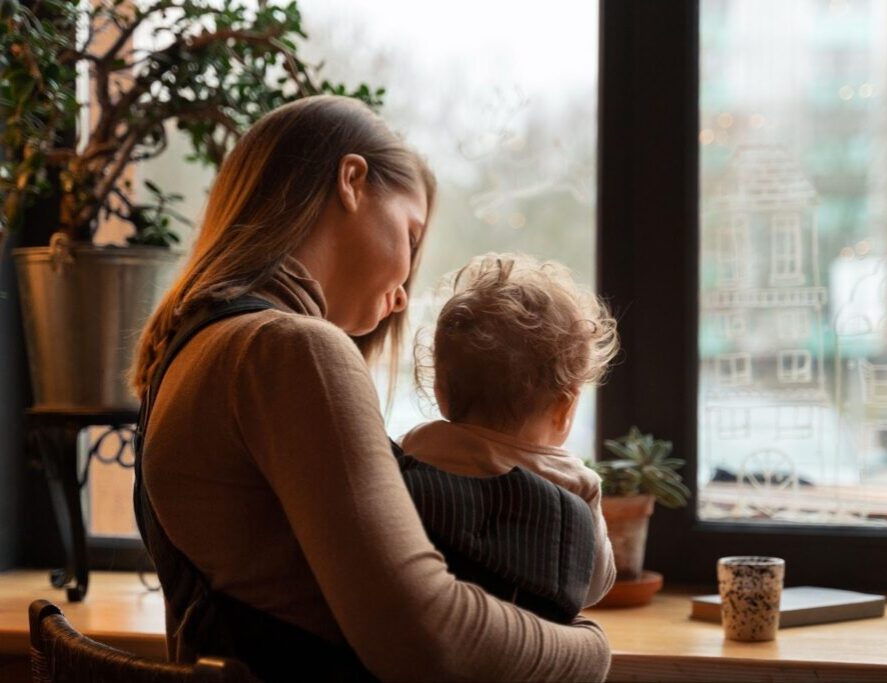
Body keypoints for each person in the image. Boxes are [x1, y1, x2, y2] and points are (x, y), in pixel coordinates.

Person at [130, 96, 611, 682]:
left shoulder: (192, 347)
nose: (405, 291)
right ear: (352, 180)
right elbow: (429, 637)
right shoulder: (288, 349)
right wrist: (590, 650)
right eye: (411, 235)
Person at [401, 253, 619, 611]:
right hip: (528, 650)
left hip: (432, 631)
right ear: (564, 409)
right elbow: (592, 587)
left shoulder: (416, 448)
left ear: (440, 392)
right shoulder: (573, 483)